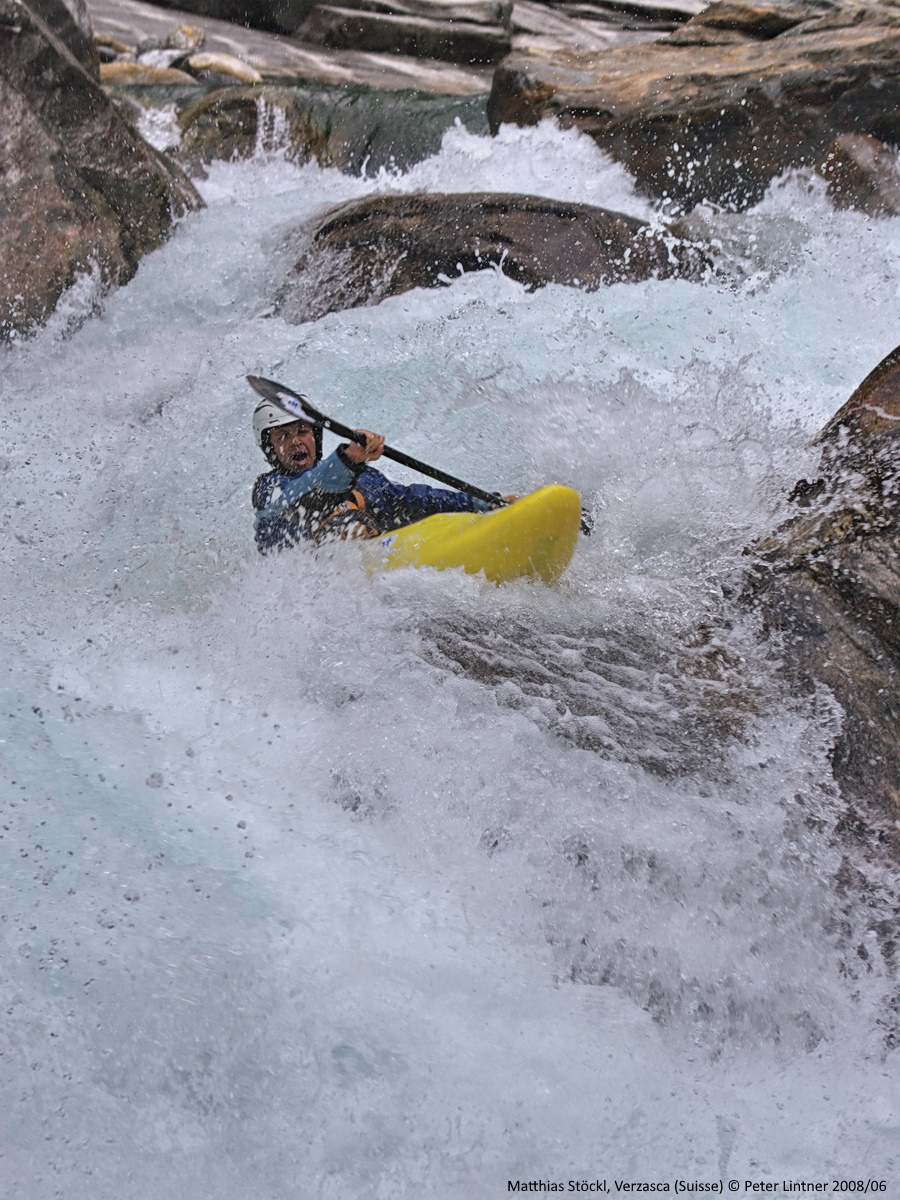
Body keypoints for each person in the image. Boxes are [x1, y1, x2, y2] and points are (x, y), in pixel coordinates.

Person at [252, 398, 509, 554]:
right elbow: (308, 494)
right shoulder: (270, 490)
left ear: (315, 436)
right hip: (315, 586)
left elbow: (414, 499)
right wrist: (347, 459)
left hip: (380, 557)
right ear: (270, 448)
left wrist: (486, 504)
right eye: (283, 436)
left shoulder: (363, 478)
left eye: (302, 431)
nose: (296, 442)